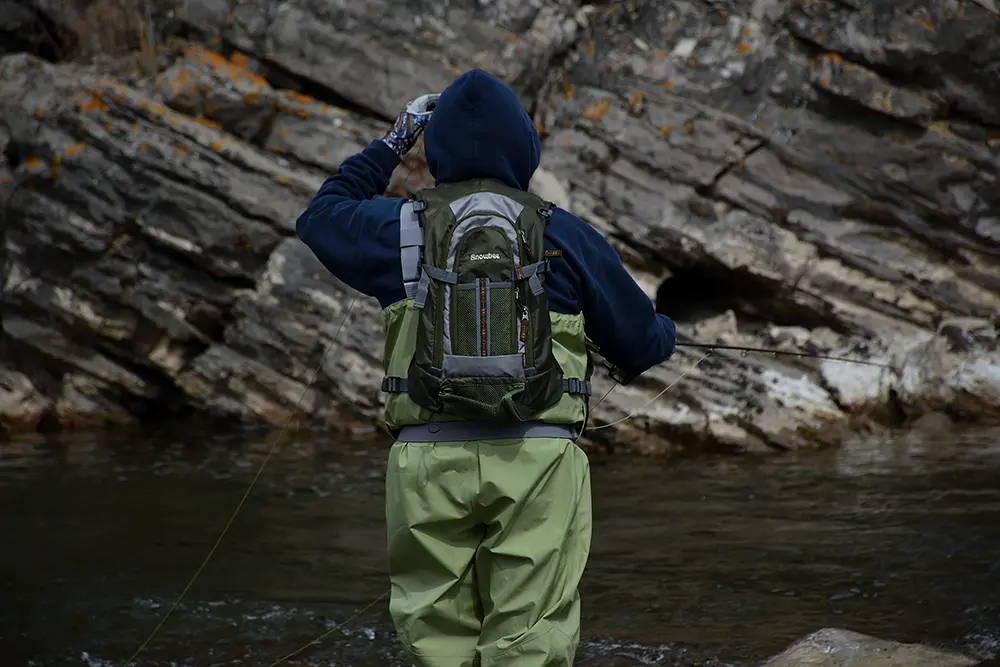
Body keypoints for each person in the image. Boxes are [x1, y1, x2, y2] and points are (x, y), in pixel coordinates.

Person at [295, 69, 677, 667]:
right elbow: (641, 344)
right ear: (524, 150)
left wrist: (395, 141)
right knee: (528, 639)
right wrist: (667, 333)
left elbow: (318, 219)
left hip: (426, 462)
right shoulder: (563, 233)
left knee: (437, 638)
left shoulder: (396, 229)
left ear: (436, 152)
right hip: (538, 465)